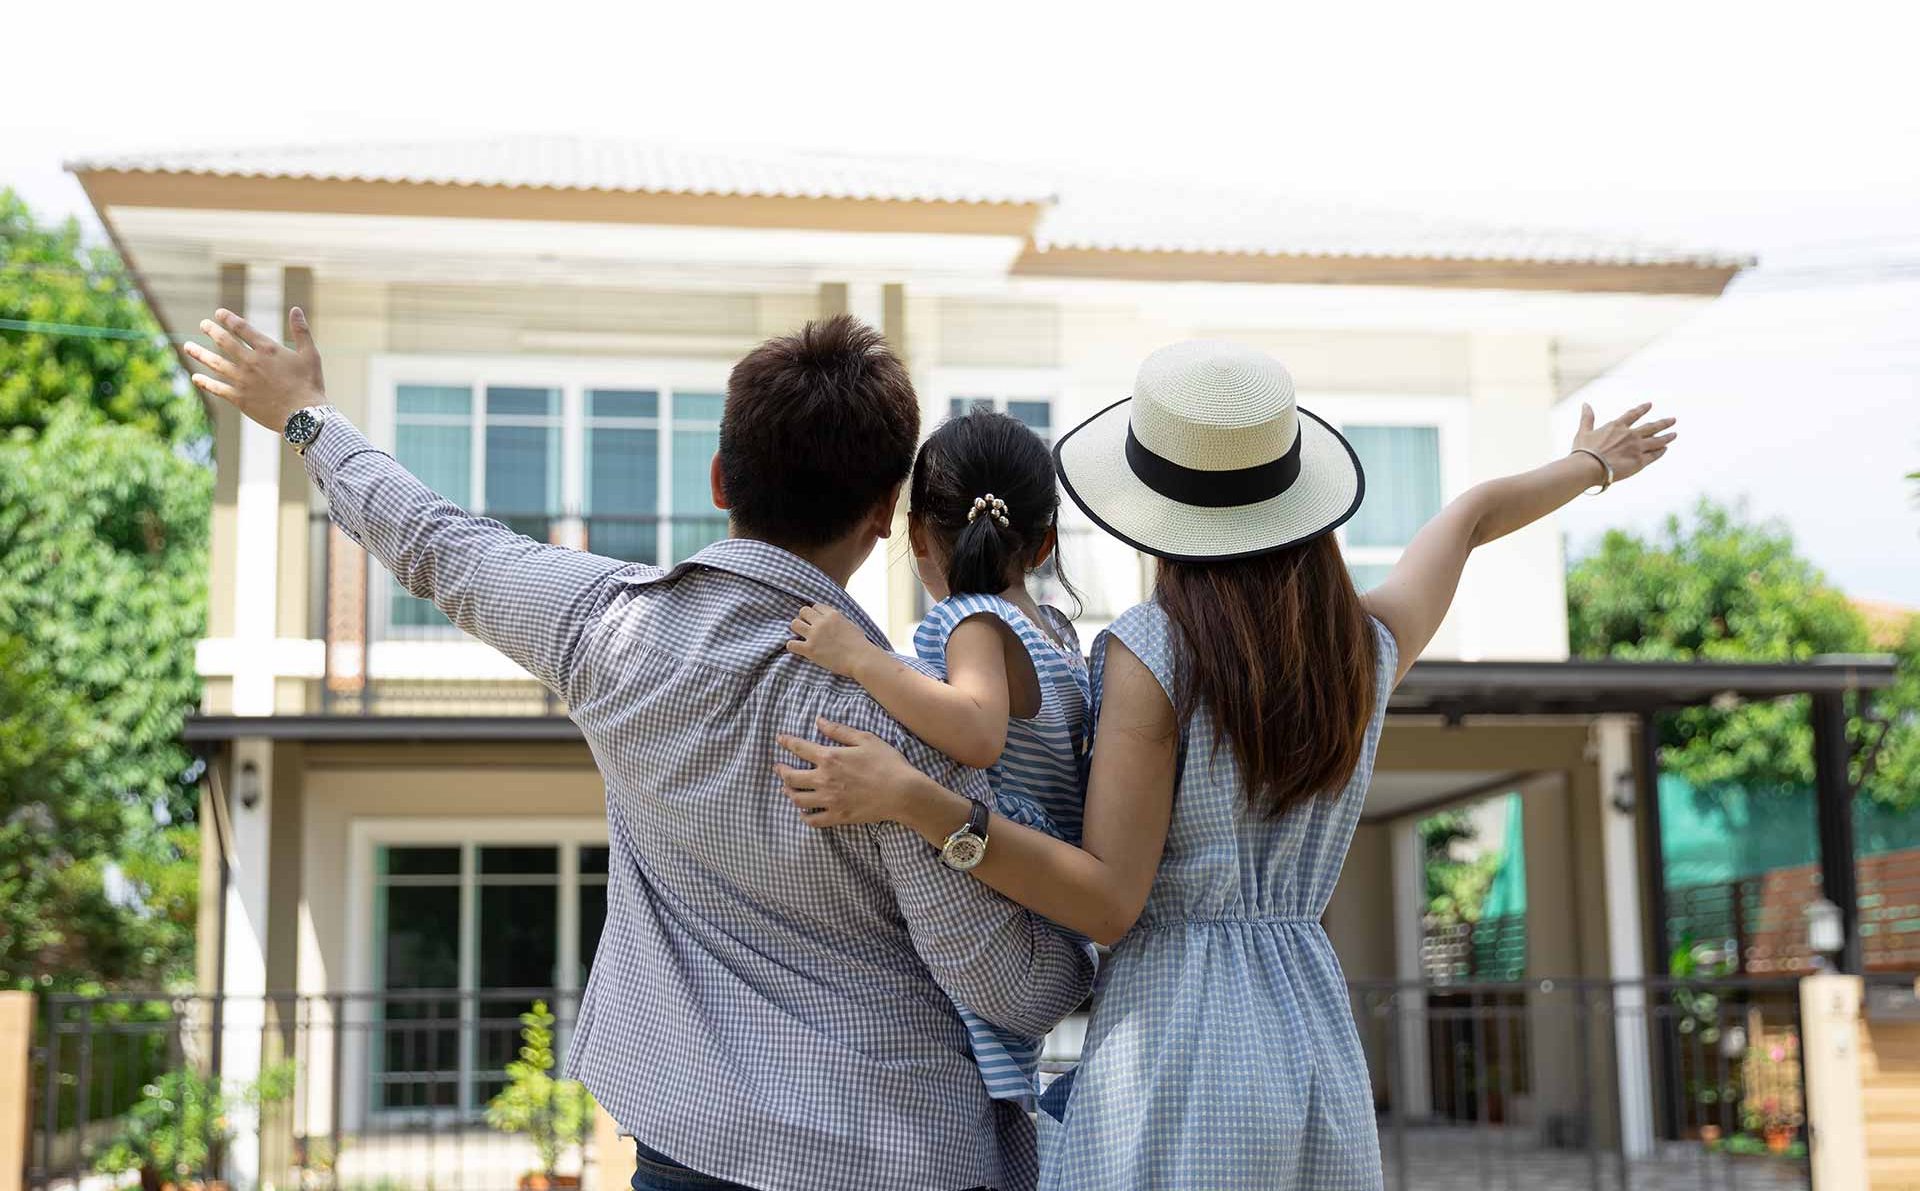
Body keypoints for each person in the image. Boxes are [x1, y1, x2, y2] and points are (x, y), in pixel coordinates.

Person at [184, 309, 1096, 1191]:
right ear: (885, 514)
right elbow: (1016, 991)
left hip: (687, 1145)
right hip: (894, 1151)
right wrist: (1076, 947)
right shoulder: (896, 729)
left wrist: (305, 418)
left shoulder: (603, 629)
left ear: (718, 481)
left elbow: (436, 543)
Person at [771, 340, 1676, 1190]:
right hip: (1314, 1032)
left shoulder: (1151, 651)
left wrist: (921, 805)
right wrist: (1590, 466)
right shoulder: (1360, 645)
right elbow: (1468, 519)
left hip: (1176, 1052)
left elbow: (1107, 900)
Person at [784, 407, 1094, 1108]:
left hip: (1002, 886)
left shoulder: (972, 620)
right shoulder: (1059, 639)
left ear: (917, 533)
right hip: (1048, 895)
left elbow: (977, 732)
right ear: (1044, 546)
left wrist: (861, 659)